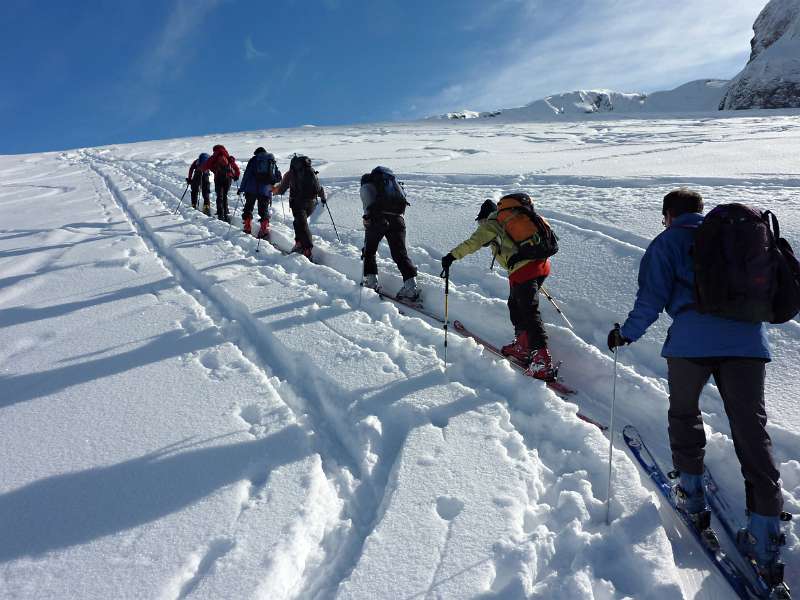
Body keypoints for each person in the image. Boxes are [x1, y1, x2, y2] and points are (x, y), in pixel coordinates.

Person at [608, 188, 784, 584]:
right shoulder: (743, 239)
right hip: (748, 346)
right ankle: (766, 531)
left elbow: (650, 301)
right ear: (702, 211)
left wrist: (626, 335)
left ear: (668, 214)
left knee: (684, 412)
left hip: (690, 344)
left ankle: (690, 490)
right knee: (751, 429)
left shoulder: (667, 242)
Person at [441, 194, 555, 379]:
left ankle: (542, 360)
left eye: (480, 223)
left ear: (485, 217)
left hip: (523, 269)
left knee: (528, 310)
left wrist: (451, 256)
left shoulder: (492, 223)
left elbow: (473, 243)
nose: (480, 226)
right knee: (515, 305)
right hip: (540, 264)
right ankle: (524, 346)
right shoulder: (512, 221)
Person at [360, 166, 420, 301]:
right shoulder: (392, 184)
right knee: (400, 253)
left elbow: (367, 206)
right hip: (398, 219)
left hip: (378, 219)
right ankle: (411, 287)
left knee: (369, 250)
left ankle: (371, 282)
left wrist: (367, 220)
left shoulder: (366, 185)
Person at [272, 155, 325, 259]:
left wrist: (274, 191)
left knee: (302, 224)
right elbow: (318, 187)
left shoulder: (291, 173)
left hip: (298, 203)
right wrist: (323, 198)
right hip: (312, 203)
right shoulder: (311, 171)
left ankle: (307, 249)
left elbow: (282, 189)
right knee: (298, 223)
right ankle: (299, 244)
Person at [238, 147, 280, 238]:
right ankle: (264, 229)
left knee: (248, 207)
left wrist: (241, 188)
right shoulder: (271, 160)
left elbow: (247, 175)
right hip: (265, 189)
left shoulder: (253, 160)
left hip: (251, 188)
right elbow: (278, 176)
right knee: (263, 209)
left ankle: (247, 227)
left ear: (256, 153)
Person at [201, 144, 238, 222]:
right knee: (225, 195)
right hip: (228, 178)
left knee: (219, 196)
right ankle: (226, 212)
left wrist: (209, 169)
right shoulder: (227, 155)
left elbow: (205, 166)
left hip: (218, 178)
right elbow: (235, 167)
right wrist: (236, 175)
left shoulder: (214, 156)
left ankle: (220, 213)